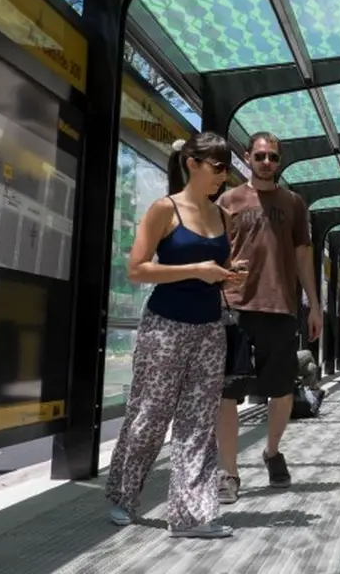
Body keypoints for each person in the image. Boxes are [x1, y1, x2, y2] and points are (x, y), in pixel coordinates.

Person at [104, 133, 238, 539]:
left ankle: (190, 515)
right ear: (192, 164)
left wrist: (229, 273)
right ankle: (123, 495)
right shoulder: (165, 209)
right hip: (164, 327)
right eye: (217, 167)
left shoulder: (224, 217)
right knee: (149, 415)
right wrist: (196, 269)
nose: (222, 177)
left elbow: (217, 271)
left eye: (226, 169)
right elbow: (137, 269)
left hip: (210, 329)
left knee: (198, 423)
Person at [216, 131, 323, 503]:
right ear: (247, 156)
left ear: (280, 161)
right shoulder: (228, 200)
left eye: (272, 158)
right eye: (259, 156)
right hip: (234, 306)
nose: (265, 163)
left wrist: (315, 303)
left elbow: (303, 256)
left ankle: (272, 451)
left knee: (281, 392)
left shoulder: (293, 203)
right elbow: (214, 253)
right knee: (226, 394)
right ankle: (229, 472)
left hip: (281, 308)